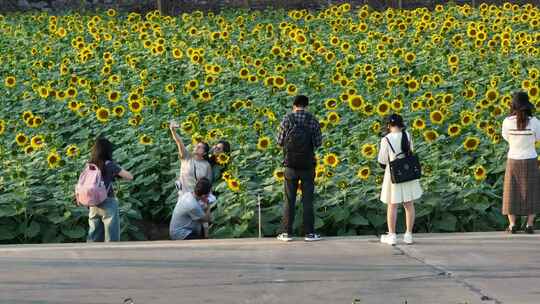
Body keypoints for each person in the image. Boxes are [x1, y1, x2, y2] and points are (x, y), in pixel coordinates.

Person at [276, 95, 323, 242]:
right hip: (308, 165)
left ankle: (286, 233)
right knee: (308, 199)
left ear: (294, 105)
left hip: (290, 166)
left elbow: (279, 141)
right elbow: (318, 142)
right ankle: (309, 233)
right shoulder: (312, 120)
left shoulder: (287, 119)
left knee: (289, 199)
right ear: (306, 106)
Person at [377, 114, 423, 245]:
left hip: (393, 174)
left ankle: (392, 235)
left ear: (388, 125)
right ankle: (408, 235)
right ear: (401, 124)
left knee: (392, 205)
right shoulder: (407, 135)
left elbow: (382, 160)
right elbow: (411, 151)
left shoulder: (386, 139)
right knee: (409, 204)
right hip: (408, 172)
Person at [501, 91, 539, 234]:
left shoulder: (507, 122)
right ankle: (529, 225)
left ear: (513, 105)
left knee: (511, 191)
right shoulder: (534, 122)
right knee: (532, 192)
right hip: (530, 158)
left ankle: (512, 225)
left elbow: (506, 137)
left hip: (513, 159)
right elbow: (538, 138)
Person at [87, 137, 133, 242]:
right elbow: (129, 176)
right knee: (111, 236)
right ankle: (112, 256)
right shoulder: (108, 164)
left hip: (92, 202)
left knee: (94, 236)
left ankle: (90, 256)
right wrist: (116, 170)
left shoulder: (90, 165)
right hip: (107, 201)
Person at [169, 121, 213, 193]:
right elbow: (179, 142)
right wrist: (172, 130)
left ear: (204, 153)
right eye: (196, 146)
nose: (196, 147)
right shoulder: (186, 157)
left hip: (198, 197)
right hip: (184, 195)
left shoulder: (206, 165)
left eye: (200, 147)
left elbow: (208, 184)